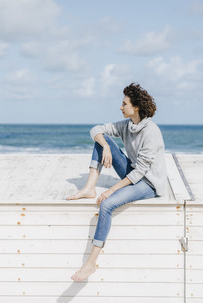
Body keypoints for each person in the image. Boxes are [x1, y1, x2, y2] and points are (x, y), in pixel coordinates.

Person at [67, 82, 167, 282]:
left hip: (148, 183)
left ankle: (91, 263)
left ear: (136, 107)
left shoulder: (151, 131)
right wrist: (104, 145)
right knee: (100, 139)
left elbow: (140, 172)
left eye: (124, 104)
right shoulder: (127, 125)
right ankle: (89, 188)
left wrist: (112, 189)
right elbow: (96, 129)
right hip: (133, 173)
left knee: (107, 204)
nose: (121, 107)